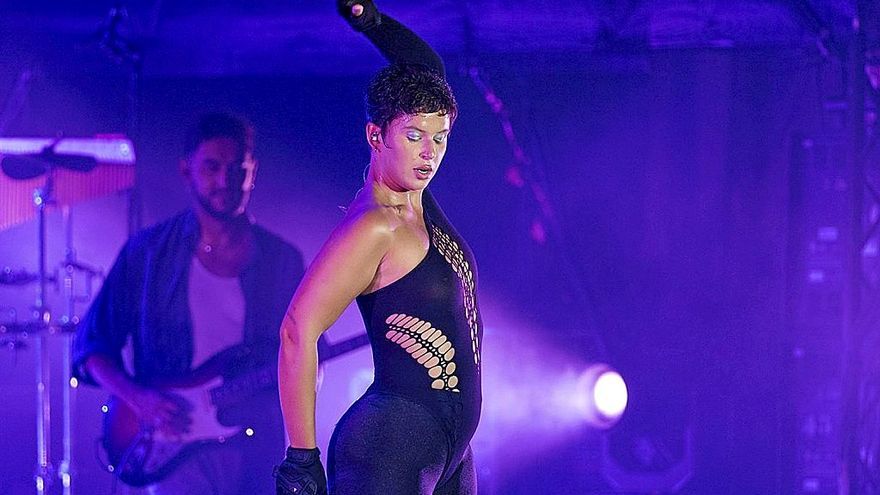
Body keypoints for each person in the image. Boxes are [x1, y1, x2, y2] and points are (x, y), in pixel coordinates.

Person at [275, 2, 483, 494]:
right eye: (414, 136)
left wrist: (369, 20)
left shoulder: (418, 200)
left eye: (440, 137)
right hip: (389, 447)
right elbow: (296, 331)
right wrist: (300, 461)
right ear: (376, 135)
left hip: (449, 449)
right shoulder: (374, 226)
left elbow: (429, 71)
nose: (429, 153)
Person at [73, 112, 307, 495]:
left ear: (253, 172)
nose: (224, 181)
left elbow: (302, 355)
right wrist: (140, 400)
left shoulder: (282, 260)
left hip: (253, 446)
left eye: (237, 169)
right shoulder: (147, 253)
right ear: (187, 170)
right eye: (211, 167)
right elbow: (92, 348)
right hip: (170, 446)